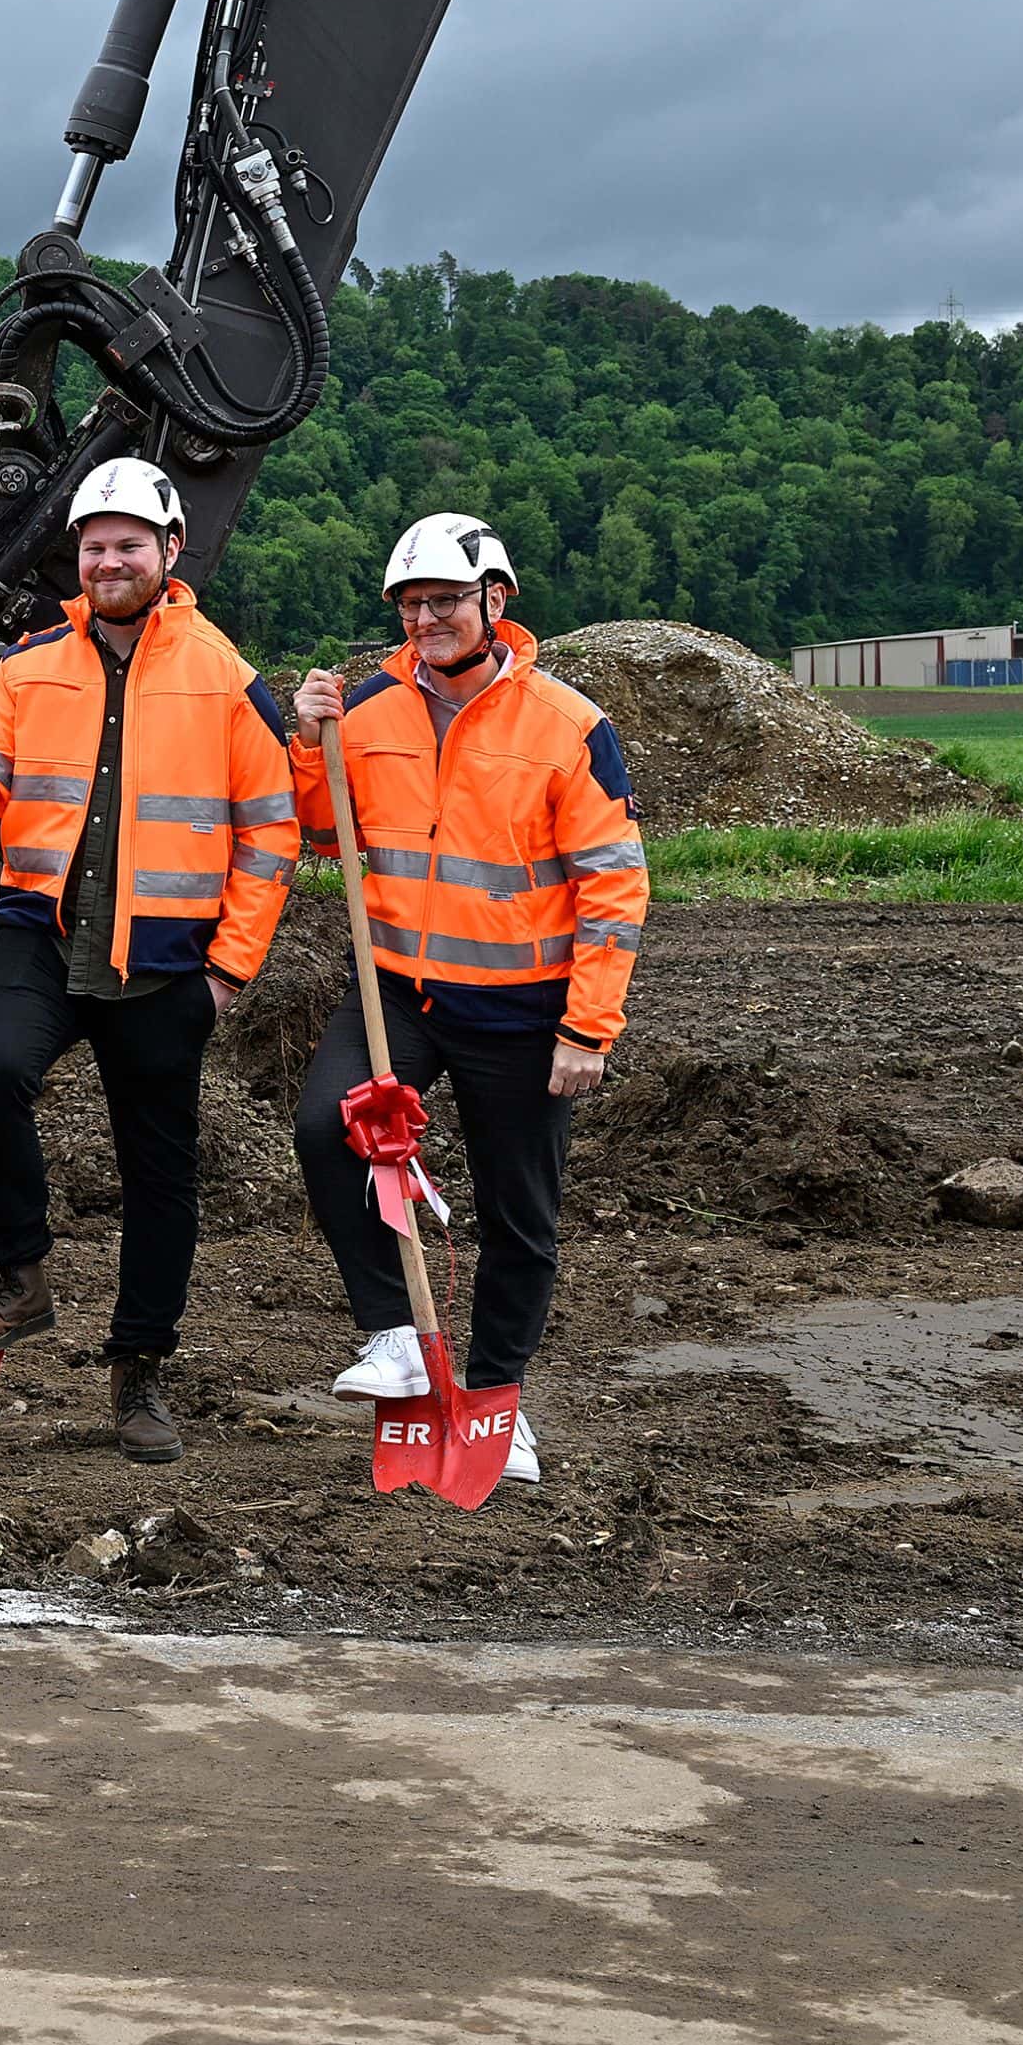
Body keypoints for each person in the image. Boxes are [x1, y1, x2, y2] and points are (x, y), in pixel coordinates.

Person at [0, 459, 300, 1464]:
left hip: (167, 961)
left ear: (170, 552)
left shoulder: (225, 676)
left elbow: (273, 831)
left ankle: (139, 1371)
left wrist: (228, 969)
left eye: (129, 543)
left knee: (159, 1175)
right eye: (95, 544)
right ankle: (22, 1273)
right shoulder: (28, 665)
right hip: (39, 935)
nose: (109, 559)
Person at [287, 512, 645, 1485]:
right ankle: (396, 1336)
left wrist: (588, 1025)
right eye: (410, 605)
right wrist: (308, 742)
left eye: (443, 600)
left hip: (526, 1012)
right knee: (327, 1128)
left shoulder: (570, 727)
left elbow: (615, 885)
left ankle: (495, 1401)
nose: (426, 619)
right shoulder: (368, 709)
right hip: (398, 989)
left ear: (496, 600)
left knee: (518, 1212)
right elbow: (328, 833)